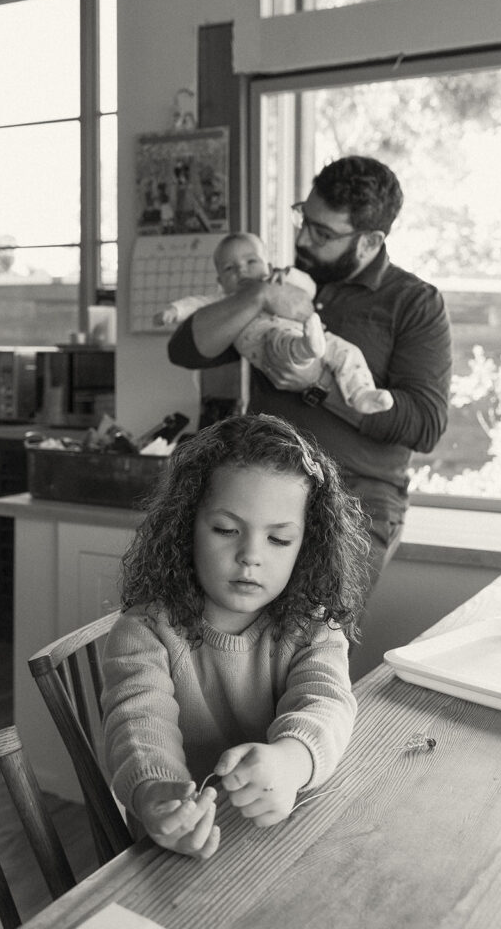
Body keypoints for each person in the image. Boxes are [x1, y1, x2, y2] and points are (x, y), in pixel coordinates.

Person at [168, 155, 453, 594]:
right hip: (260, 486)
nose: (303, 237)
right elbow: (186, 347)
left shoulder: (414, 303)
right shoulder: (284, 282)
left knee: (312, 640)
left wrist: (317, 388)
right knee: (216, 633)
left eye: (323, 233)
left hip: (355, 499)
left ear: (370, 240)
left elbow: (425, 424)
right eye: (304, 218)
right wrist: (260, 295)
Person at [101, 413, 369, 859]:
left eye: (279, 540)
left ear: (307, 546)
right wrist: (156, 797)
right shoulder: (145, 632)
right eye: (226, 530)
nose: (250, 556)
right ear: (186, 526)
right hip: (178, 848)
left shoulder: (313, 627)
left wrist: (292, 760)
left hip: (275, 837)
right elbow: (138, 725)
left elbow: (327, 703)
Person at [155, 231, 393, 415]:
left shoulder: (280, 282)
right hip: (267, 341)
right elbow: (194, 306)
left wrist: (287, 276)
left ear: (269, 267)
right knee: (282, 343)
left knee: (347, 351)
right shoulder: (224, 300)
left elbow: (308, 288)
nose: (242, 271)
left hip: (307, 331)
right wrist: (173, 310)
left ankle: (362, 393)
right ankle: (307, 347)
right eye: (230, 268)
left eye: (251, 262)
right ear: (220, 281)